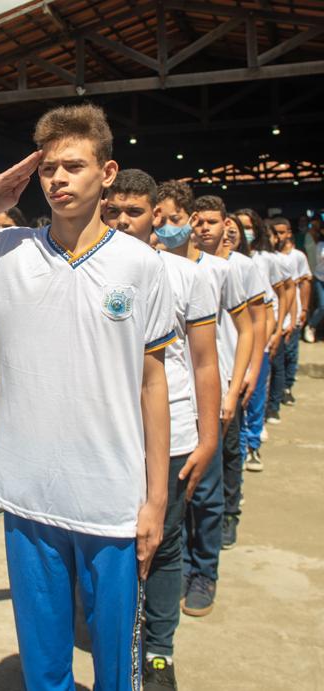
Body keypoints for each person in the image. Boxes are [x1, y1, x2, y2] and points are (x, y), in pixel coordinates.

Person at [0, 103, 174, 690]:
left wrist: (156, 498)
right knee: (43, 663)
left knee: (113, 666)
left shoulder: (143, 265)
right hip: (26, 494)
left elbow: (154, 384)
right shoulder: (3, 253)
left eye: (73, 166)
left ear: (106, 171)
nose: (58, 179)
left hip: (111, 499)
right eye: (48, 168)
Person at [102, 170, 221, 689]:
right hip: (104, 432)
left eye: (135, 212)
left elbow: (204, 363)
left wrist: (209, 436)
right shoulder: (87, 272)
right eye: (115, 211)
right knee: (112, 542)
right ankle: (115, 634)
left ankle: (157, 650)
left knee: (165, 543)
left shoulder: (186, 276)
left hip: (168, 436)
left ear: (157, 215)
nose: (123, 221)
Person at [180, 193, 252, 618]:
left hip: (212, 392)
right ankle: (182, 566)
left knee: (207, 491)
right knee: (177, 493)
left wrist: (234, 386)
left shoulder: (224, 271)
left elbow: (249, 329)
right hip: (171, 397)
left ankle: (204, 570)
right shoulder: (154, 266)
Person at [210, 205, 268, 550]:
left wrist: (252, 371)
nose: (207, 228)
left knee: (230, 451)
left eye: (214, 221)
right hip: (201, 377)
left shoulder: (242, 267)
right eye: (198, 221)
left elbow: (258, 322)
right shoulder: (184, 264)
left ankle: (230, 512)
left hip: (231, 372)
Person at [235, 209, 286, 472]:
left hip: (258, 337)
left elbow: (278, 296)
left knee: (253, 396)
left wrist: (274, 332)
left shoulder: (262, 262)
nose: (243, 232)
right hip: (233, 342)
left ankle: (252, 446)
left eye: (247, 226)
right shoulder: (224, 262)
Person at [269, 217, 312, 406]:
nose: (279, 236)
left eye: (282, 232)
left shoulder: (298, 256)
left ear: (289, 234)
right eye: (275, 232)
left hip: (291, 314)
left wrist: (304, 309)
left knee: (290, 353)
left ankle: (287, 386)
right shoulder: (268, 257)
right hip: (275, 315)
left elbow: (304, 284)